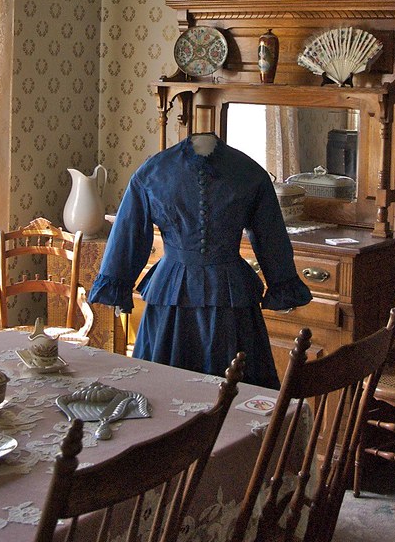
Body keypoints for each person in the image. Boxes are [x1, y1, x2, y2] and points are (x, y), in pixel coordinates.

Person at [88, 132, 312, 389]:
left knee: (220, 386)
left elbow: (270, 235)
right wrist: (281, 281)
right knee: (175, 385)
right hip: (213, 294)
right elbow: (129, 230)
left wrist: (118, 282)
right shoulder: (249, 172)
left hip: (197, 294)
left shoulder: (153, 171)